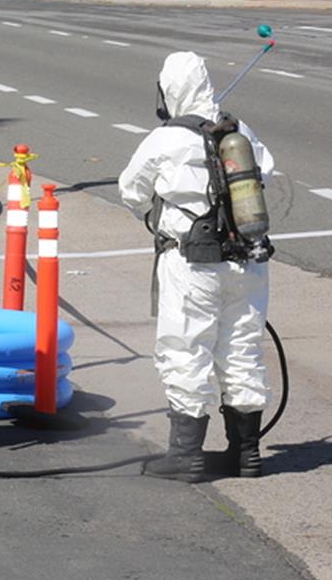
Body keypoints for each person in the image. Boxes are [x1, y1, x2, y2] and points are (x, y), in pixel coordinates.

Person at [117, 51, 275, 481]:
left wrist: (164, 209)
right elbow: (268, 173)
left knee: (185, 351)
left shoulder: (165, 140)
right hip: (248, 263)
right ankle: (247, 455)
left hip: (191, 265)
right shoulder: (239, 131)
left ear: (169, 91)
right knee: (242, 352)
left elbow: (130, 190)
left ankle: (185, 456)